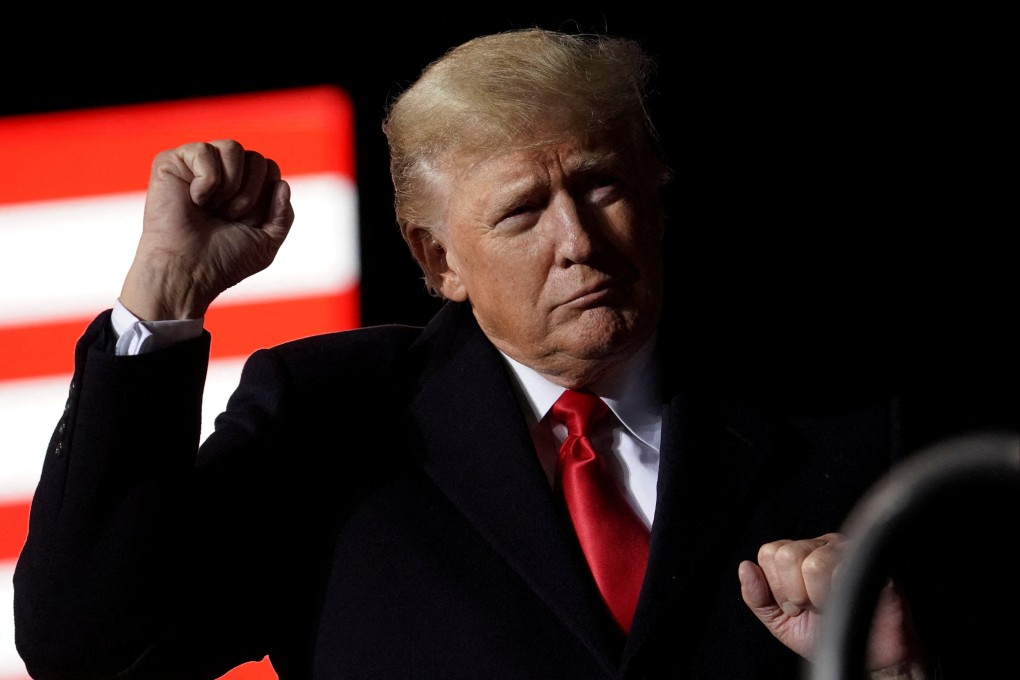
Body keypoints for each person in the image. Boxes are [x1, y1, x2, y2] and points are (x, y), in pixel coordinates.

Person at [14, 27, 934, 679]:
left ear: (656, 199)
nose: (577, 240)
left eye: (602, 185)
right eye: (522, 211)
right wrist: (166, 292)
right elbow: (84, 644)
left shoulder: (851, 416)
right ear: (438, 261)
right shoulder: (329, 423)